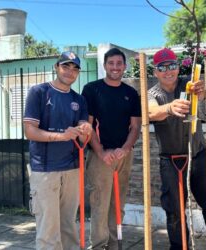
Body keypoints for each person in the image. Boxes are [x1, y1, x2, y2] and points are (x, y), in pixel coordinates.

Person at [148, 48, 206, 250]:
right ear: (156, 72)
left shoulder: (190, 83)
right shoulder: (153, 94)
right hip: (171, 160)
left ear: (178, 67)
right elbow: (151, 112)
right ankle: (179, 246)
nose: (168, 71)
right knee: (174, 209)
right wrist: (168, 108)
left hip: (198, 155)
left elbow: (205, 100)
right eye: (163, 67)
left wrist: (202, 94)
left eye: (172, 66)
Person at [24, 51, 92, 250]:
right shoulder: (39, 92)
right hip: (45, 170)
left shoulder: (79, 100)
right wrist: (61, 136)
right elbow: (30, 131)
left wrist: (85, 131)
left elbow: (82, 136)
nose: (70, 72)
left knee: (69, 226)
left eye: (75, 68)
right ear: (56, 67)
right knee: (48, 229)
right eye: (66, 66)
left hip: (72, 169)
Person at [82, 48, 142, 250]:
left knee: (118, 203)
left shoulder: (131, 93)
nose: (115, 67)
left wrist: (125, 149)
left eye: (119, 63)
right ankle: (98, 245)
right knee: (100, 203)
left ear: (124, 66)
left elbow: (135, 127)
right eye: (111, 63)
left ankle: (114, 244)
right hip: (101, 156)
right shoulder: (91, 90)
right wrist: (101, 152)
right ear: (105, 65)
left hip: (124, 155)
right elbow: (88, 126)